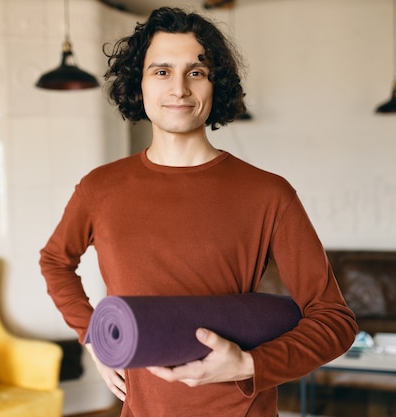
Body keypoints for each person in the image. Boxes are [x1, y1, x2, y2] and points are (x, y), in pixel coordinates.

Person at [40, 7, 357, 417]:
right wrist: (95, 337)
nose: (179, 89)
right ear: (139, 82)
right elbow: (54, 261)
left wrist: (250, 364)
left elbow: (334, 320)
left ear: (215, 84)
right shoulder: (100, 188)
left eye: (196, 72)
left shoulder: (269, 194)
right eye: (161, 71)